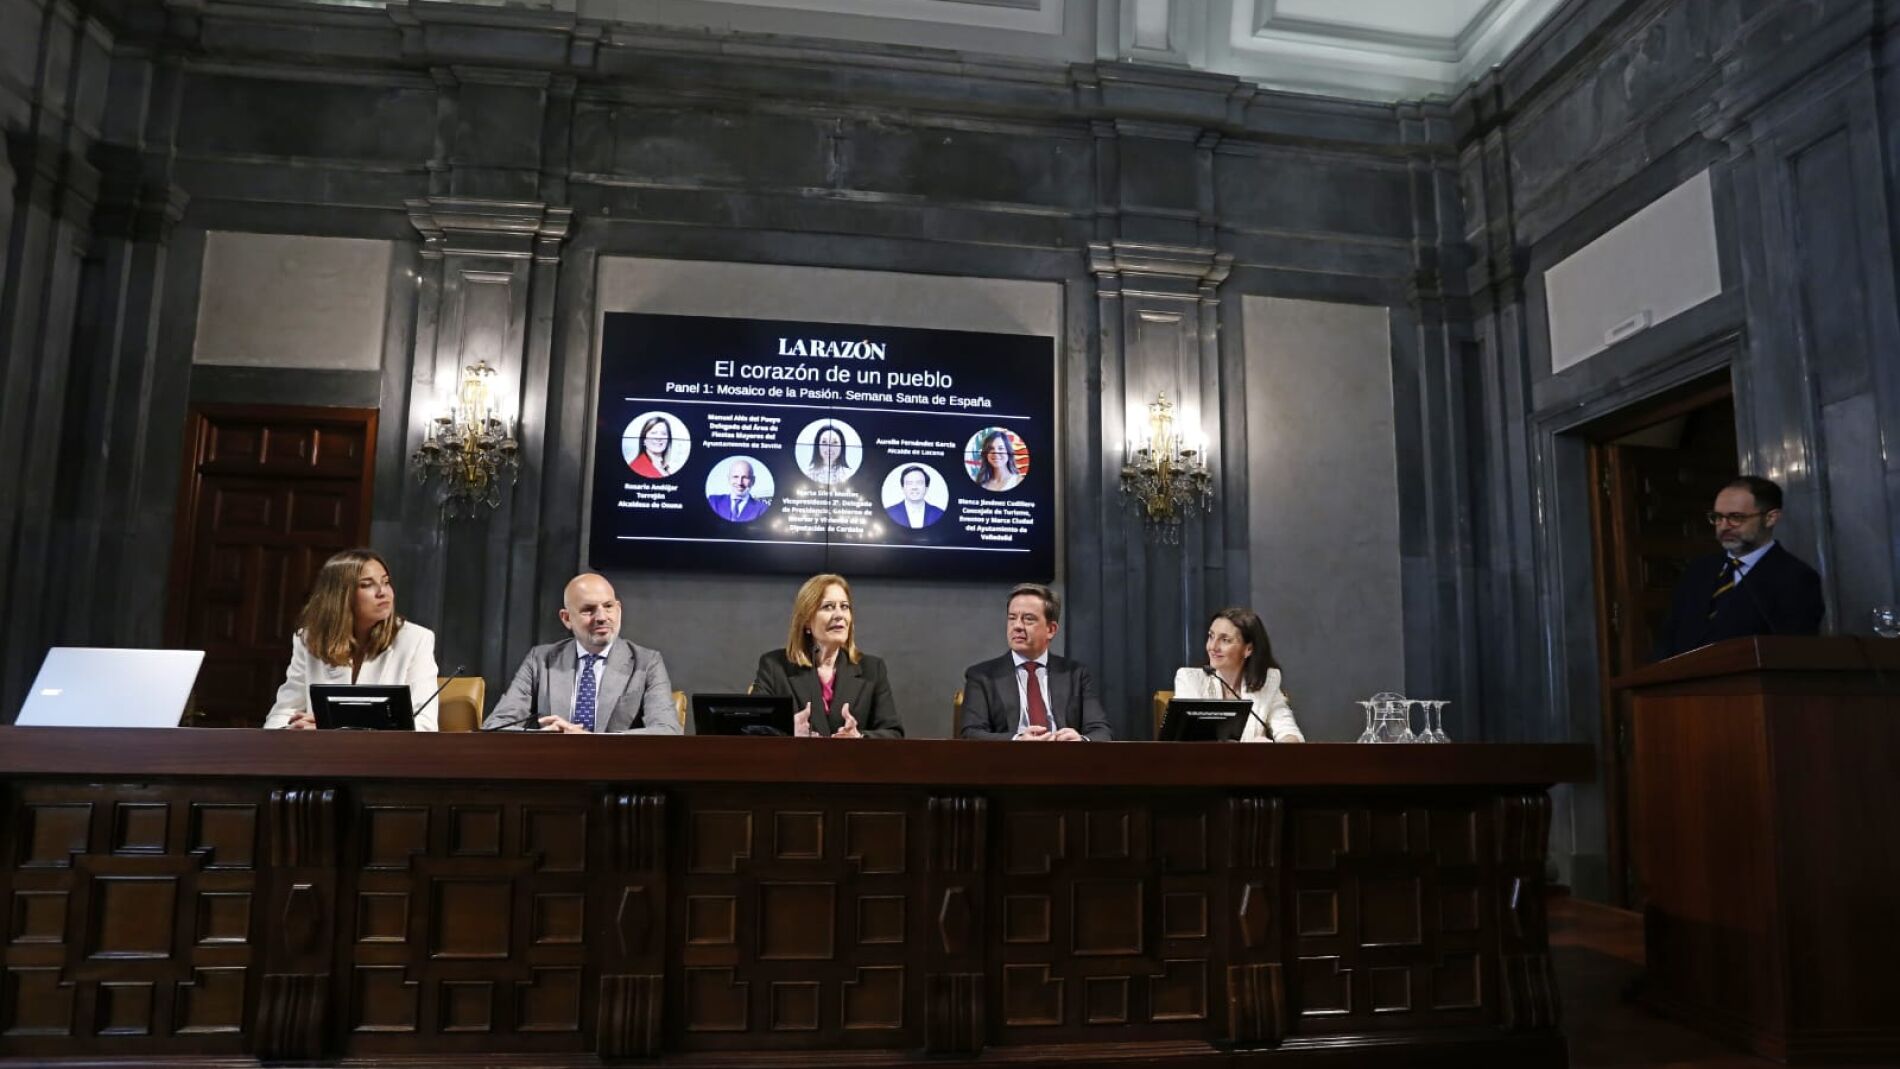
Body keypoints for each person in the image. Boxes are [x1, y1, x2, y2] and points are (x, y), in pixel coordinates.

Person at [484, 573, 682, 733]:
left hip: (615, 768)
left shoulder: (647, 662)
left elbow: (667, 730)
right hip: (555, 764)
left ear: (619, 610)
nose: (601, 617)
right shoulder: (540, 660)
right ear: (566, 618)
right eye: (589, 610)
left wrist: (592, 741)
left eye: (608, 606)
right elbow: (495, 725)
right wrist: (544, 736)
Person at [266, 548, 440, 730]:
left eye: (386, 582)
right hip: (318, 749)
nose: (383, 592)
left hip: (385, 749)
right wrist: (294, 730)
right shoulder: (310, 639)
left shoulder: (416, 640)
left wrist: (331, 727)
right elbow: (282, 713)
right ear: (340, 595)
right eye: (367, 585)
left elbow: (424, 725)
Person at [1655, 475, 1825, 659]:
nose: (1724, 526)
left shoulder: (1796, 577)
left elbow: (1794, 652)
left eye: (1736, 517)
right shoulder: (1699, 569)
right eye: (1717, 517)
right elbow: (1668, 637)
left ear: (1770, 518)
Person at [751, 573, 903, 738]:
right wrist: (789, 732)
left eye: (844, 606)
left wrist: (859, 737)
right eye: (828, 607)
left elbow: (893, 733)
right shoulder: (774, 667)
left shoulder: (872, 670)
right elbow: (751, 728)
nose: (839, 615)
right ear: (806, 620)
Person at [959, 583, 1111, 741]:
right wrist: (1018, 740)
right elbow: (971, 733)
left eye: (1028, 619)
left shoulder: (1075, 674)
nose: (1017, 626)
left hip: (1063, 755)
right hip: (1009, 756)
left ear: (1051, 629)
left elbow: (1101, 731)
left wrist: (1080, 740)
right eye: (1012, 618)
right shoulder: (982, 676)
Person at [1171, 608, 1304, 742]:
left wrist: (1275, 747)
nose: (1212, 646)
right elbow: (1189, 740)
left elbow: (1288, 731)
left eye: (1225, 640)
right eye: (1211, 636)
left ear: (1248, 649)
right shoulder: (1190, 680)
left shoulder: (1267, 682)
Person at [885, 465, 944, 529]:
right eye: (909, 483)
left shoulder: (938, 513)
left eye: (919, 483)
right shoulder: (889, 512)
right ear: (903, 488)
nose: (914, 487)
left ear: (926, 488)